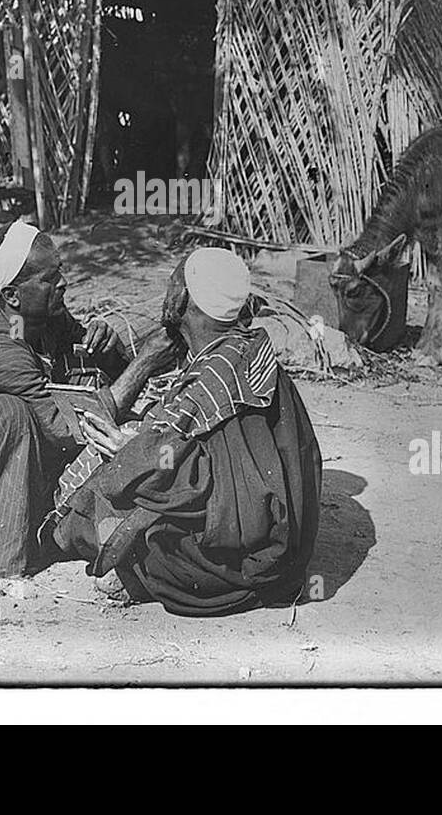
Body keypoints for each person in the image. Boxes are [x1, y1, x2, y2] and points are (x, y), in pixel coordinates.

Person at [0, 220, 180, 577]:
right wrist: (145, 363)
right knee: (10, 414)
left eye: (60, 271)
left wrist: (109, 349)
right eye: (49, 279)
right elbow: (66, 428)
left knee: (46, 399)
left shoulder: (42, 318)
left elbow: (91, 377)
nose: (62, 283)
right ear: (12, 295)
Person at [52, 248, 323, 617]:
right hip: (285, 554)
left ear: (183, 299)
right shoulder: (247, 349)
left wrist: (124, 450)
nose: (167, 289)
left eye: (174, 280)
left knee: (97, 504)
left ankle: (135, 572)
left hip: (237, 561)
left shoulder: (209, 379)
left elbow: (177, 477)